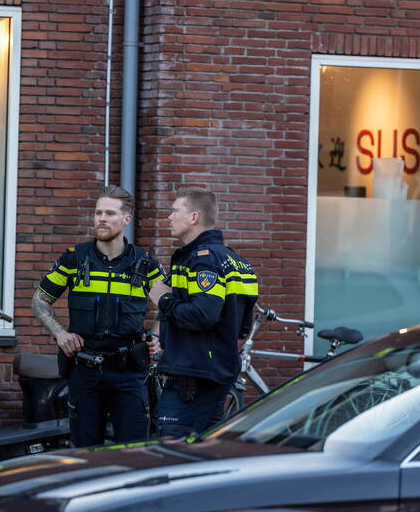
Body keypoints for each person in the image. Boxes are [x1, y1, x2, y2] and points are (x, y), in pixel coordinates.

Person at [32, 186, 163, 447]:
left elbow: (167, 305)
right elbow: (40, 299)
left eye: (110, 213)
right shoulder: (74, 259)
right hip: (85, 372)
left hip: (130, 374)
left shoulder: (145, 263)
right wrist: (60, 333)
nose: (101, 218)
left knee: (135, 451)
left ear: (126, 219)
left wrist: (157, 336)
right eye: (98, 212)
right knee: (84, 452)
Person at [147, 187, 259, 438]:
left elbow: (202, 315)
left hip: (192, 379)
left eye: (175, 211)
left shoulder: (202, 260)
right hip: (216, 376)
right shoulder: (235, 260)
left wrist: (163, 300)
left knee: (171, 454)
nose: (169, 217)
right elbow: (242, 328)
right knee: (204, 455)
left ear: (194, 217)